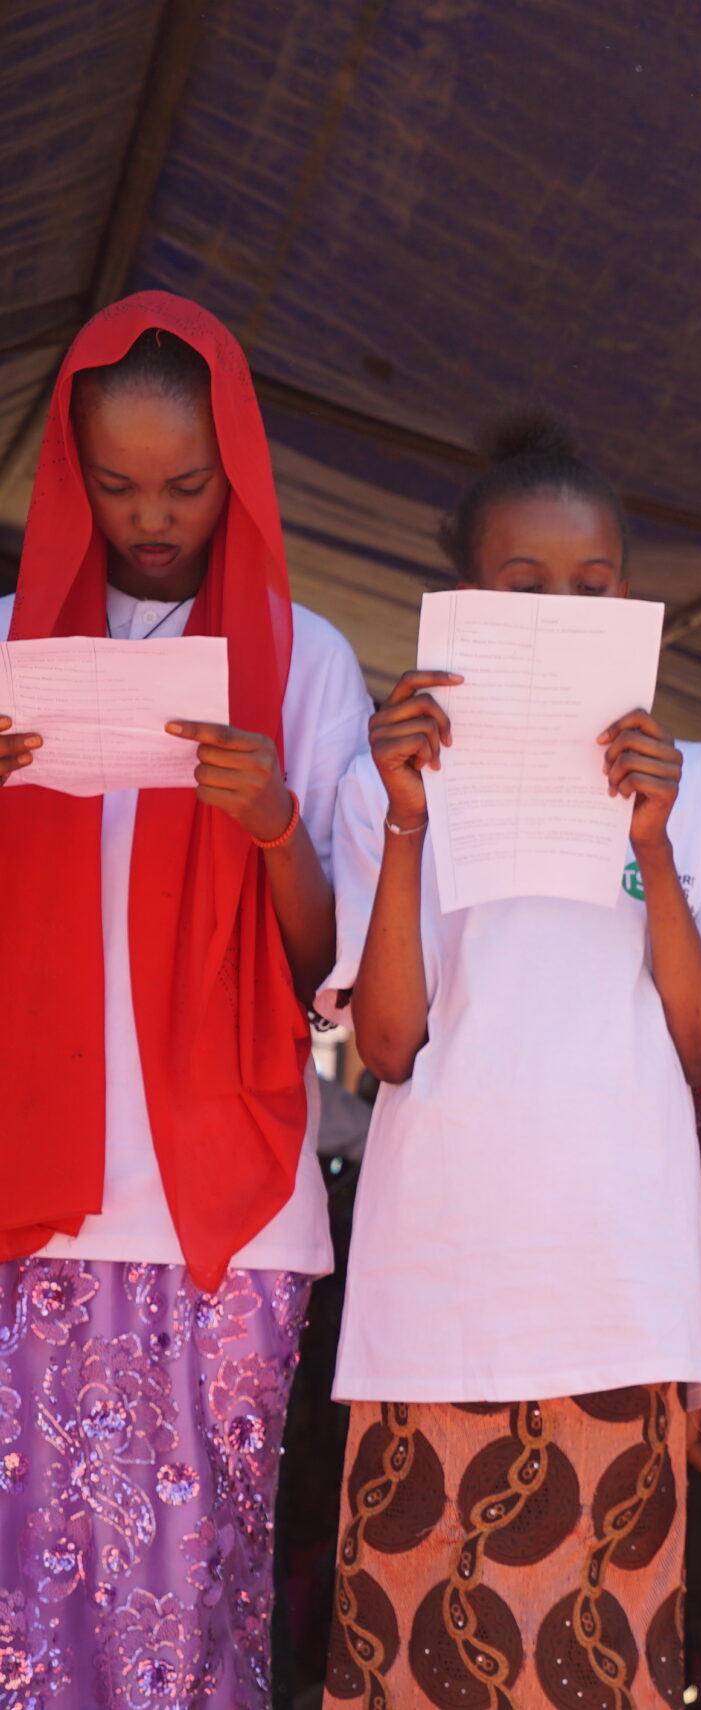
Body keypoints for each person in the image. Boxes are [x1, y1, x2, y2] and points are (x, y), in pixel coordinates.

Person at [325, 417, 701, 1707]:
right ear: (461, 605)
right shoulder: (390, 782)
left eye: (593, 590)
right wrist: (411, 821)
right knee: (416, 1662)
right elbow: (390, 1042)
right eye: (522, 589)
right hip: (437, 1288)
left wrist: (648, 837)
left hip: (620, 1285)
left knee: (602, 1664)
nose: (561, 613)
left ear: (634, 605)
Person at [0, 294, 373, 1706]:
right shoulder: (7, 647)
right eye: (115, 483)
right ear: (66, 471)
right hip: (35, 1183)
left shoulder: (310, 658)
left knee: (196, 1583)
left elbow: (318, 971)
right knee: (24, 1586)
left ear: (241, 472)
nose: (151, 516)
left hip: (230, 1197)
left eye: (186, 483)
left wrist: (276, 817)